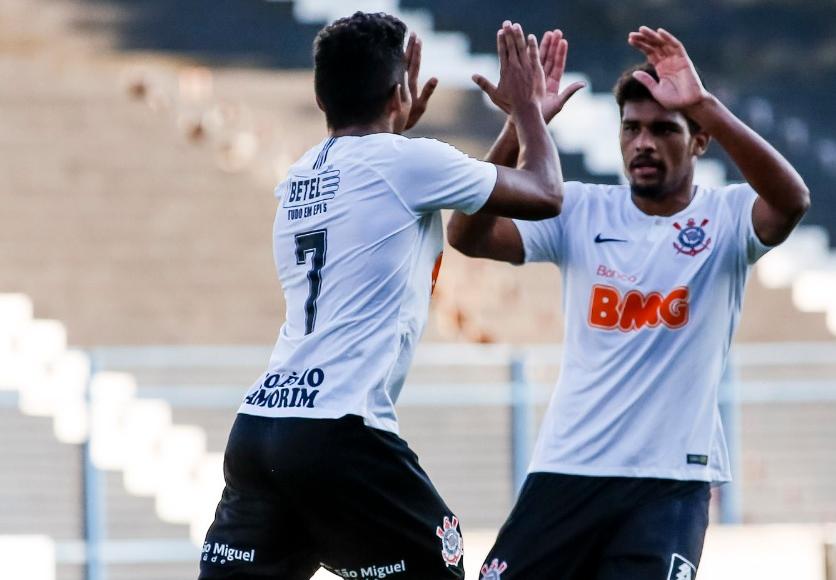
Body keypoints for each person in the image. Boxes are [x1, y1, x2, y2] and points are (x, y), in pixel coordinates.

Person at [199, 12, 580, 580]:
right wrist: (527, 112)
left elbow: (383, 183)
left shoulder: (300, 175)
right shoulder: (407, 162)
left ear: (321, 97)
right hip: (340, 433)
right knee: (442, 563)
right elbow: (546, 193)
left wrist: (395, 124)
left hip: (260, 429)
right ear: (400, 91)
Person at [449, 26, 810, 580]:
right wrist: (523, 124)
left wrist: (703, 104)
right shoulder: (579, 209)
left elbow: (792, 201)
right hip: (566, 470)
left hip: (669, 485)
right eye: (632, 128)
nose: (643, 142)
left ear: (699, 140)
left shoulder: (728, 216)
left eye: (664, 129)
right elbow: (467, 235)